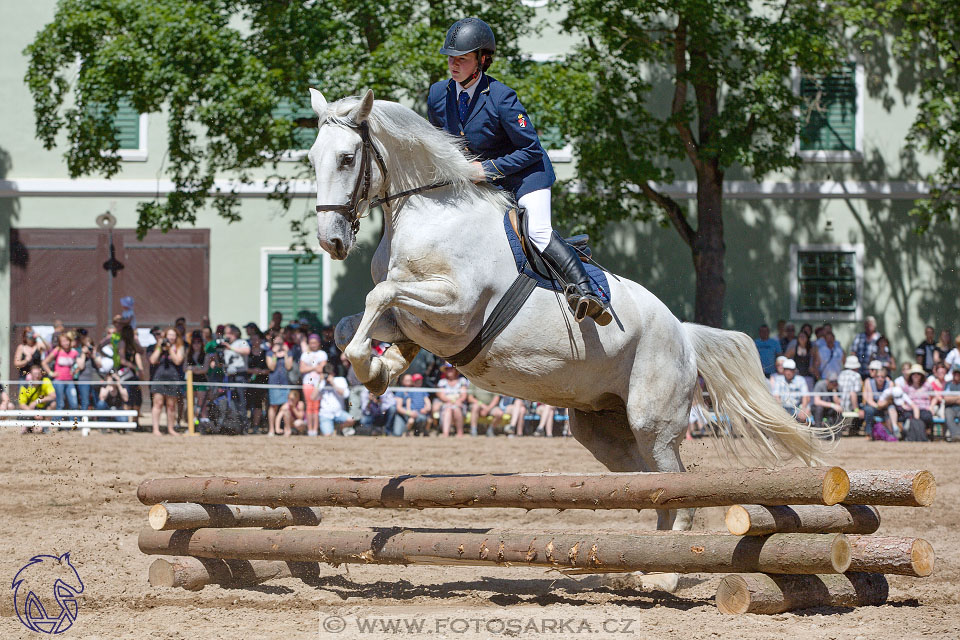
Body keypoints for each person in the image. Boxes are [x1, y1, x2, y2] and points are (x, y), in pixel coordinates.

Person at [427, 17, 608, 324]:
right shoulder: (437, 95)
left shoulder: (501, 98)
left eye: (461, 59)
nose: (452, 64)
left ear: (482, 60)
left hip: (525, 173)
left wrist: (488, 170)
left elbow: (531, 149)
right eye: (450, 57)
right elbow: (439, 143)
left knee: (536, 231)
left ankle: (585, 291)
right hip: (476, 177)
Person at [149, 327, 184, 436]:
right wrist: (160, 347)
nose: (171, 337)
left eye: (173, 335)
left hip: (173, 377)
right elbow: (152, 360)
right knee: (158, 403)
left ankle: (171, 429)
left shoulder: (179, 347)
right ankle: (156, 429)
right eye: (169, 335)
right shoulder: (159, 346)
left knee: (171, 405)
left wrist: (169, 349)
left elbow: (178, 361)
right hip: (159, 377)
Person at [42, 332, 80, 420]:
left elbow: (79, 365)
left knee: (74, 402)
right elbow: (44, 362)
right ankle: (57, 423)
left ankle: (74, 423)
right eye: (63, 341)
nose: (65, 343)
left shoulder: (74, 352)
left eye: (67, 341)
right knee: (60, 403)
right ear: (60, 342)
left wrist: (74, 371)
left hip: (69, 381)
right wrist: (51, 373)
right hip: (58, 380)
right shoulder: (57, 350)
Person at [299, 334, 329, 437]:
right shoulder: (305, 354)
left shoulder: (322, 354)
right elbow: (302, 369)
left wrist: (310, 367)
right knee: (309, 406)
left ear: (318, 343)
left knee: (316, 407)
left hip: (318, 383)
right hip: (307, 382)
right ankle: (310, 429)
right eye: (311, 343)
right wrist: (315, 367)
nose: (313, 345)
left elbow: (322, 369)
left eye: (315, 342)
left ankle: (315, 429)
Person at [315, 364, 353, 436]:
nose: (327, 376)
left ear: (333, 373)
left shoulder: (340, 380)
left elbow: (346, 394)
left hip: (339, 413)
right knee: (328, 435)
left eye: (329, 374)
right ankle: (330, 430)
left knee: (351, 420)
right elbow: (313, 397)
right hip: (325, 414)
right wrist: (319, 382)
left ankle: (338, 428)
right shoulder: (321, 382)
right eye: (326, 374)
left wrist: (333, 383)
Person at [266, 335, 293, 436]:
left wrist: (285, 353)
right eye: (276, 342)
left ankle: (287, 429)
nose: (278, 343)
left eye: (280, 342)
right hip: (274, 382)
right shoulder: (269, 353)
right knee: (273, 406)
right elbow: (271, 367)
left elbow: (288, 366)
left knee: (286, 407)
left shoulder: (288, 352)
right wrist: (274, 354)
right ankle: (272, 430)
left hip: (285, 382)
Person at [184, 331, 212, 430]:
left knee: (202, 404)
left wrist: (194, 369)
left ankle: (203, 425)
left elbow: (205, 369)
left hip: (201, 381)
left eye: (198, 342)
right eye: (194, 342)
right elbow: (185, 368)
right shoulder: (188, 354)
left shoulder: (206, 355)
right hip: (190, 381)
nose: (196, 344)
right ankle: (192, 425)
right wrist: (195, 369)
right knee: (191, 404)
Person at [18, 363, 56, 434]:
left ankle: (45, 427)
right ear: (31, 375)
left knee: (53, 403)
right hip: (30, 411)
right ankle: (28, 427)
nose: (37, 376)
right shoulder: (25, 386)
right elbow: (21, 404)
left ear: (41, 374)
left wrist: (37, 401)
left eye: (38, 373)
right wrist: (34, 414)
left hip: (42, 410)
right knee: (24, 431)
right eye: (35, 374)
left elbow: (53, 396)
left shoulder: (45, 381)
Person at [246, 332, 270, 433]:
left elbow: (269, 369)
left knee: (258, 404)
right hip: (249, 382)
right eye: (252, 339)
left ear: (260, 340)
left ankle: (256, 426)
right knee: (247, 404)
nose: (254, 341)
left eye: (256, 339)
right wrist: (252, 371)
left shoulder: (265, 353)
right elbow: (245, 368)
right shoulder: (248, 353)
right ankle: (247, 425)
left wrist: (261, 372)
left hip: (262, 382)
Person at [435, 363, 468, 437]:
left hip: (459, 404)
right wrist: (450, 401)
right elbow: (442, 395)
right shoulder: (442, 382)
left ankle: (460, 433)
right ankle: (445, 433)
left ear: (455, 370)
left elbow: (464, 395)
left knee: (456, 409)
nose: (449, 370)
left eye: (451, 369)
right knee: (448, 410)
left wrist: (457, 401)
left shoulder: (462, 381)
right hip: (447, 403)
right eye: (447, 369)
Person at [903, 364, 935, 439]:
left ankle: (925, 435)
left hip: (924, 409)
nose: (916, 376)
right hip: (910, 409)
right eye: (914, 374)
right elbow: (902, 398)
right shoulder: (907, 386)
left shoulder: (927, 385)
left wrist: (931, 406)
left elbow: (935, 397)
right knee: (907, 417)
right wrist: (904, 406)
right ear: (911, 375)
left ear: (921, 376)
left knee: (926, 416)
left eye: (918, 374)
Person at [861, 362, 892, 440]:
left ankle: (892, 432)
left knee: (891, 409)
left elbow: (890, 399)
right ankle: (869, 433)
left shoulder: (889, 382)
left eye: (873, 370)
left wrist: (883, 405)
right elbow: (868, 399)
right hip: (874, 405)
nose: (871, 372)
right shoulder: (868, 381)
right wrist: (878, 406)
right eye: (870, 370)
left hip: (885, 405)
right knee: (869, 410)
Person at [74, 333, 102, 410]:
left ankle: (97, 420)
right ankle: (84, 419)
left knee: (96, 401)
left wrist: (93, 354)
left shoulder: (96, 354)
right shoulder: (79, 355)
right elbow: (81, 366)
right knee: (85, 401)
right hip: (83, 380)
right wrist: (83, 354)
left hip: (95, 380)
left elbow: (99, 365)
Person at [943, 366, 960, 441]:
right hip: (950, 408)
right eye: (955, 373)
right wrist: (957, 398)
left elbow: (949, 398)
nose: (956, 375)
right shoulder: (948, 384)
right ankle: (956, 436)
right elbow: (946, 399)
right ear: (952, 374)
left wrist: (952, 398)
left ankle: (957, 435)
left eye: (958, 373)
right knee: (948, 416)